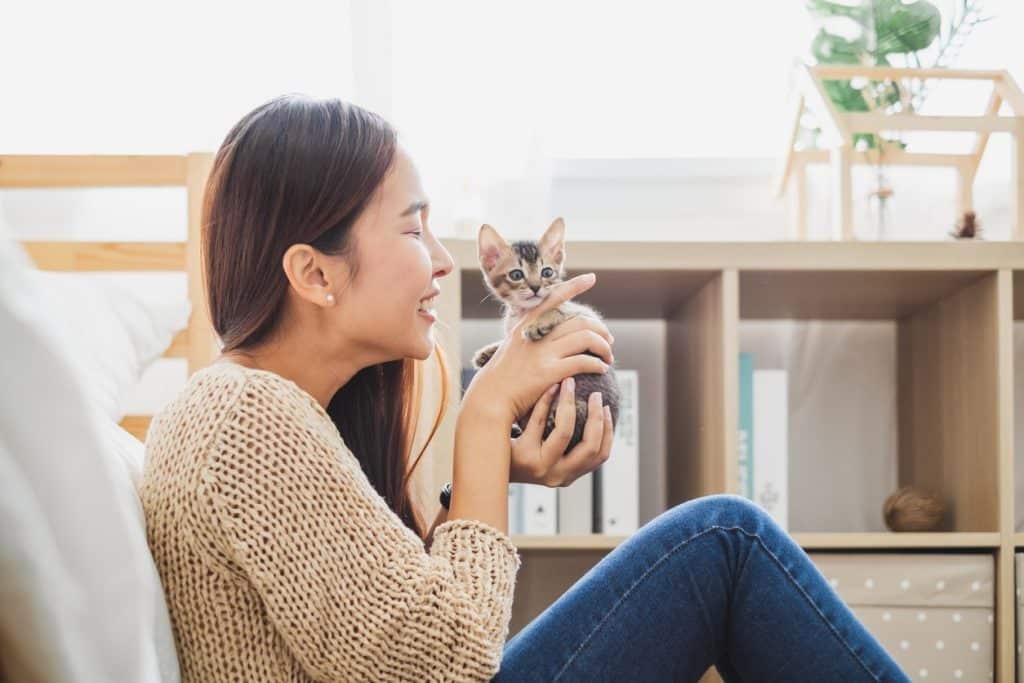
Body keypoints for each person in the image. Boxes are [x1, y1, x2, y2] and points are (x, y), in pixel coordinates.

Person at [139, 94, 911, 682]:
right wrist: (484, 419)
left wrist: (491, 469)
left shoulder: (275, 415)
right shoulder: (242, 416)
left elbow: (391, 617)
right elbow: (444, 662)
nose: (442, 261)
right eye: (413, 230)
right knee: (725, 542)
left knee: (724, 541)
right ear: (314, 272)